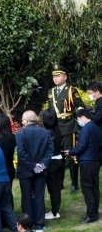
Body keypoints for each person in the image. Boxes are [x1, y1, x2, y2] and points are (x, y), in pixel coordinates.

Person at [44, 65, 81, 193]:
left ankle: (74, 183)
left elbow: (80, 107)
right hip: (56, 128)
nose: (55, 78)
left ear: (65, 77)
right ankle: (59, 182)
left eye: (58, 75)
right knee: (58, 156)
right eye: (54, 76)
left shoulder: (71, 90)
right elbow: (50, 109)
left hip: (68, 126)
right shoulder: (51, 91)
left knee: (70, 155)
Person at [16, 110, 52, 232]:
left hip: (26, 170)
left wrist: (33, 166)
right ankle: (39, 224)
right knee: (39, 196)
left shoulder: (20, 133)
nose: (22, 122)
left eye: (22, 120)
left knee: (26, 198)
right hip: (40, 169)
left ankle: (27, 225)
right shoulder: (45, 132)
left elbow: (21, 153)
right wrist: (41, 165)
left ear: (26, 121)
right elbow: (50, 151)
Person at [66, 107, 102, 224]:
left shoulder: (86, 129)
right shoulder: (96, 127)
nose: (78, 121)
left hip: (87, 162)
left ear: (82, 117)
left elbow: (81, 147)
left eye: (78, 119)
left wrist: (71, 152)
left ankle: (91, 215)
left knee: (87, 189)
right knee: (94, 188)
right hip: (96, 161)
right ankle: (94, 212)